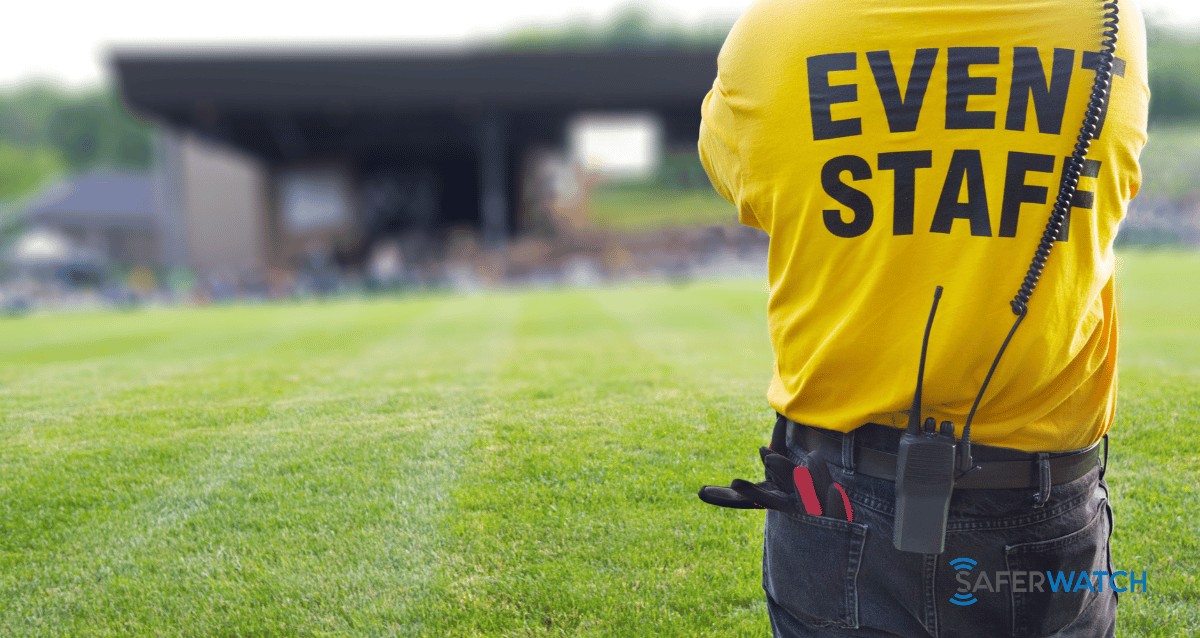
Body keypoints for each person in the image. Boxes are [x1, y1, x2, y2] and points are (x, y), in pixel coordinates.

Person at [695, 1, 1149, 636]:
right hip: (1041, 500)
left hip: (835, 495)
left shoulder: (774, 31)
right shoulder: (1109, 19)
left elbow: (741, 178)